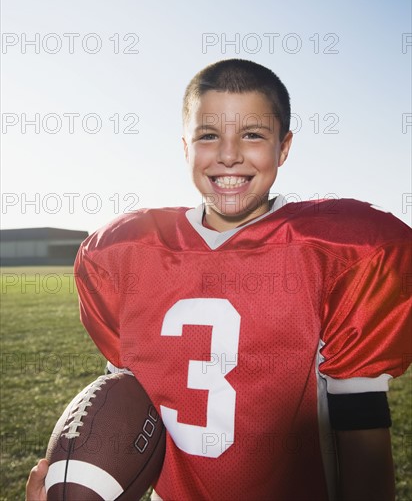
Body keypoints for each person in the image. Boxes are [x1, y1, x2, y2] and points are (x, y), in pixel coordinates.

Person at [27, 59, 411, 500]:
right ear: (185, 147)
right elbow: (129, 412)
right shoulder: (122, 253)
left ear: (284, 148)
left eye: (252, 134)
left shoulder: (340, 252)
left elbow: (363, 440)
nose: (229, 154)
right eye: (208, 135)